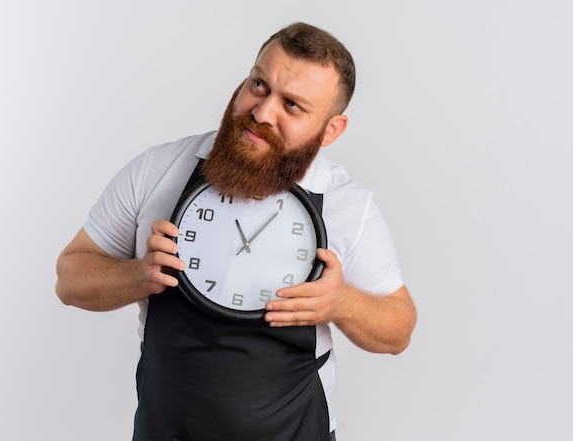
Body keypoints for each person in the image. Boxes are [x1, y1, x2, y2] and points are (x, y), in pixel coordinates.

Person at [56, 22, 417, 441]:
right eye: (259, 84)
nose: (262, 113)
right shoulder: (157, 169)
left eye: (293, 106)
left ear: (330, 130)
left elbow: (399, 330)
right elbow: (69, 279)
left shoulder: (347, 205)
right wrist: (137, 275)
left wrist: (341, 303)